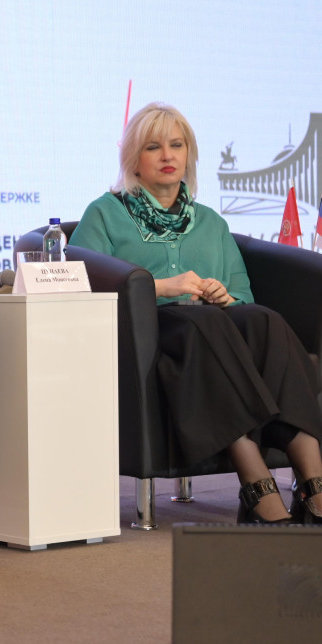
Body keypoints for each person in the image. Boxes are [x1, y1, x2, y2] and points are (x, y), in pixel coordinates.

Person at [70, 102, 322, 524]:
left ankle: (313, 481)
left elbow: (242, 295)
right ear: (133, 158)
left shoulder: (210, 222)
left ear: (189, 154)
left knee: (264, 320)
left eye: (177, 145)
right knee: (201, 323)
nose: (167, 156)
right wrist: (160, 287)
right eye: (153, 147)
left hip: (213, 328)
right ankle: (255, 480)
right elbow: (82, 280)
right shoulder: (105, 213)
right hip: (151, 333)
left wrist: (224, 295)